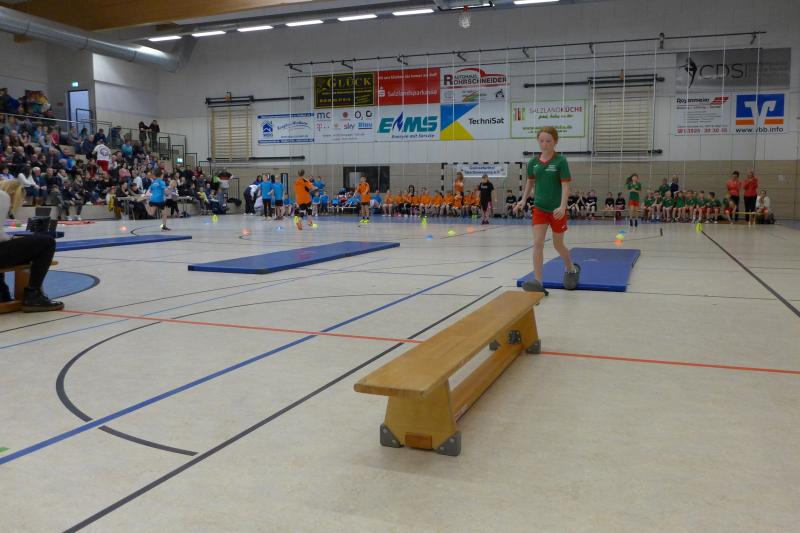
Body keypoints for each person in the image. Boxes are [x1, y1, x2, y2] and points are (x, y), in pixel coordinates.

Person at [514, 126, 580, 295]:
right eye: (541, 141)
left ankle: (571, 269)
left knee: (558, 244)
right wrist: (523, 199)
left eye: (548, 141)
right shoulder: (533, 163)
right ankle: (538, 281)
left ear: (555, 142)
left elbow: (566, 185)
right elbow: (530, 182)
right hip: (539, 209)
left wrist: (563, 206)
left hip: (557, 210)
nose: (544, 144)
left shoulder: (560, 161)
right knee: (538, 243)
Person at [0, 185, 63, 311]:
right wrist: (11, 239)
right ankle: (33, 294)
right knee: (47, 242)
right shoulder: (2, 196)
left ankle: (2, 292)